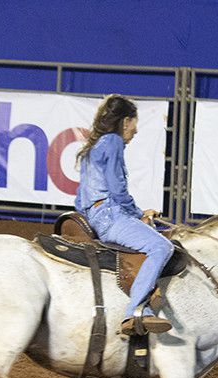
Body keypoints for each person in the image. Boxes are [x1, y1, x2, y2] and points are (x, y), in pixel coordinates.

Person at [74, 94, 174, 336]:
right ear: (125, 121)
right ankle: (135, 311)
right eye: (134, 123)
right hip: (111, 215)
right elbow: (117, 187)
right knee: (162, 247)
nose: (135, 130)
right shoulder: (112, 141)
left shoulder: (92, 147)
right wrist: (138, 214)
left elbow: (80, 199)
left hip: (97, 215)